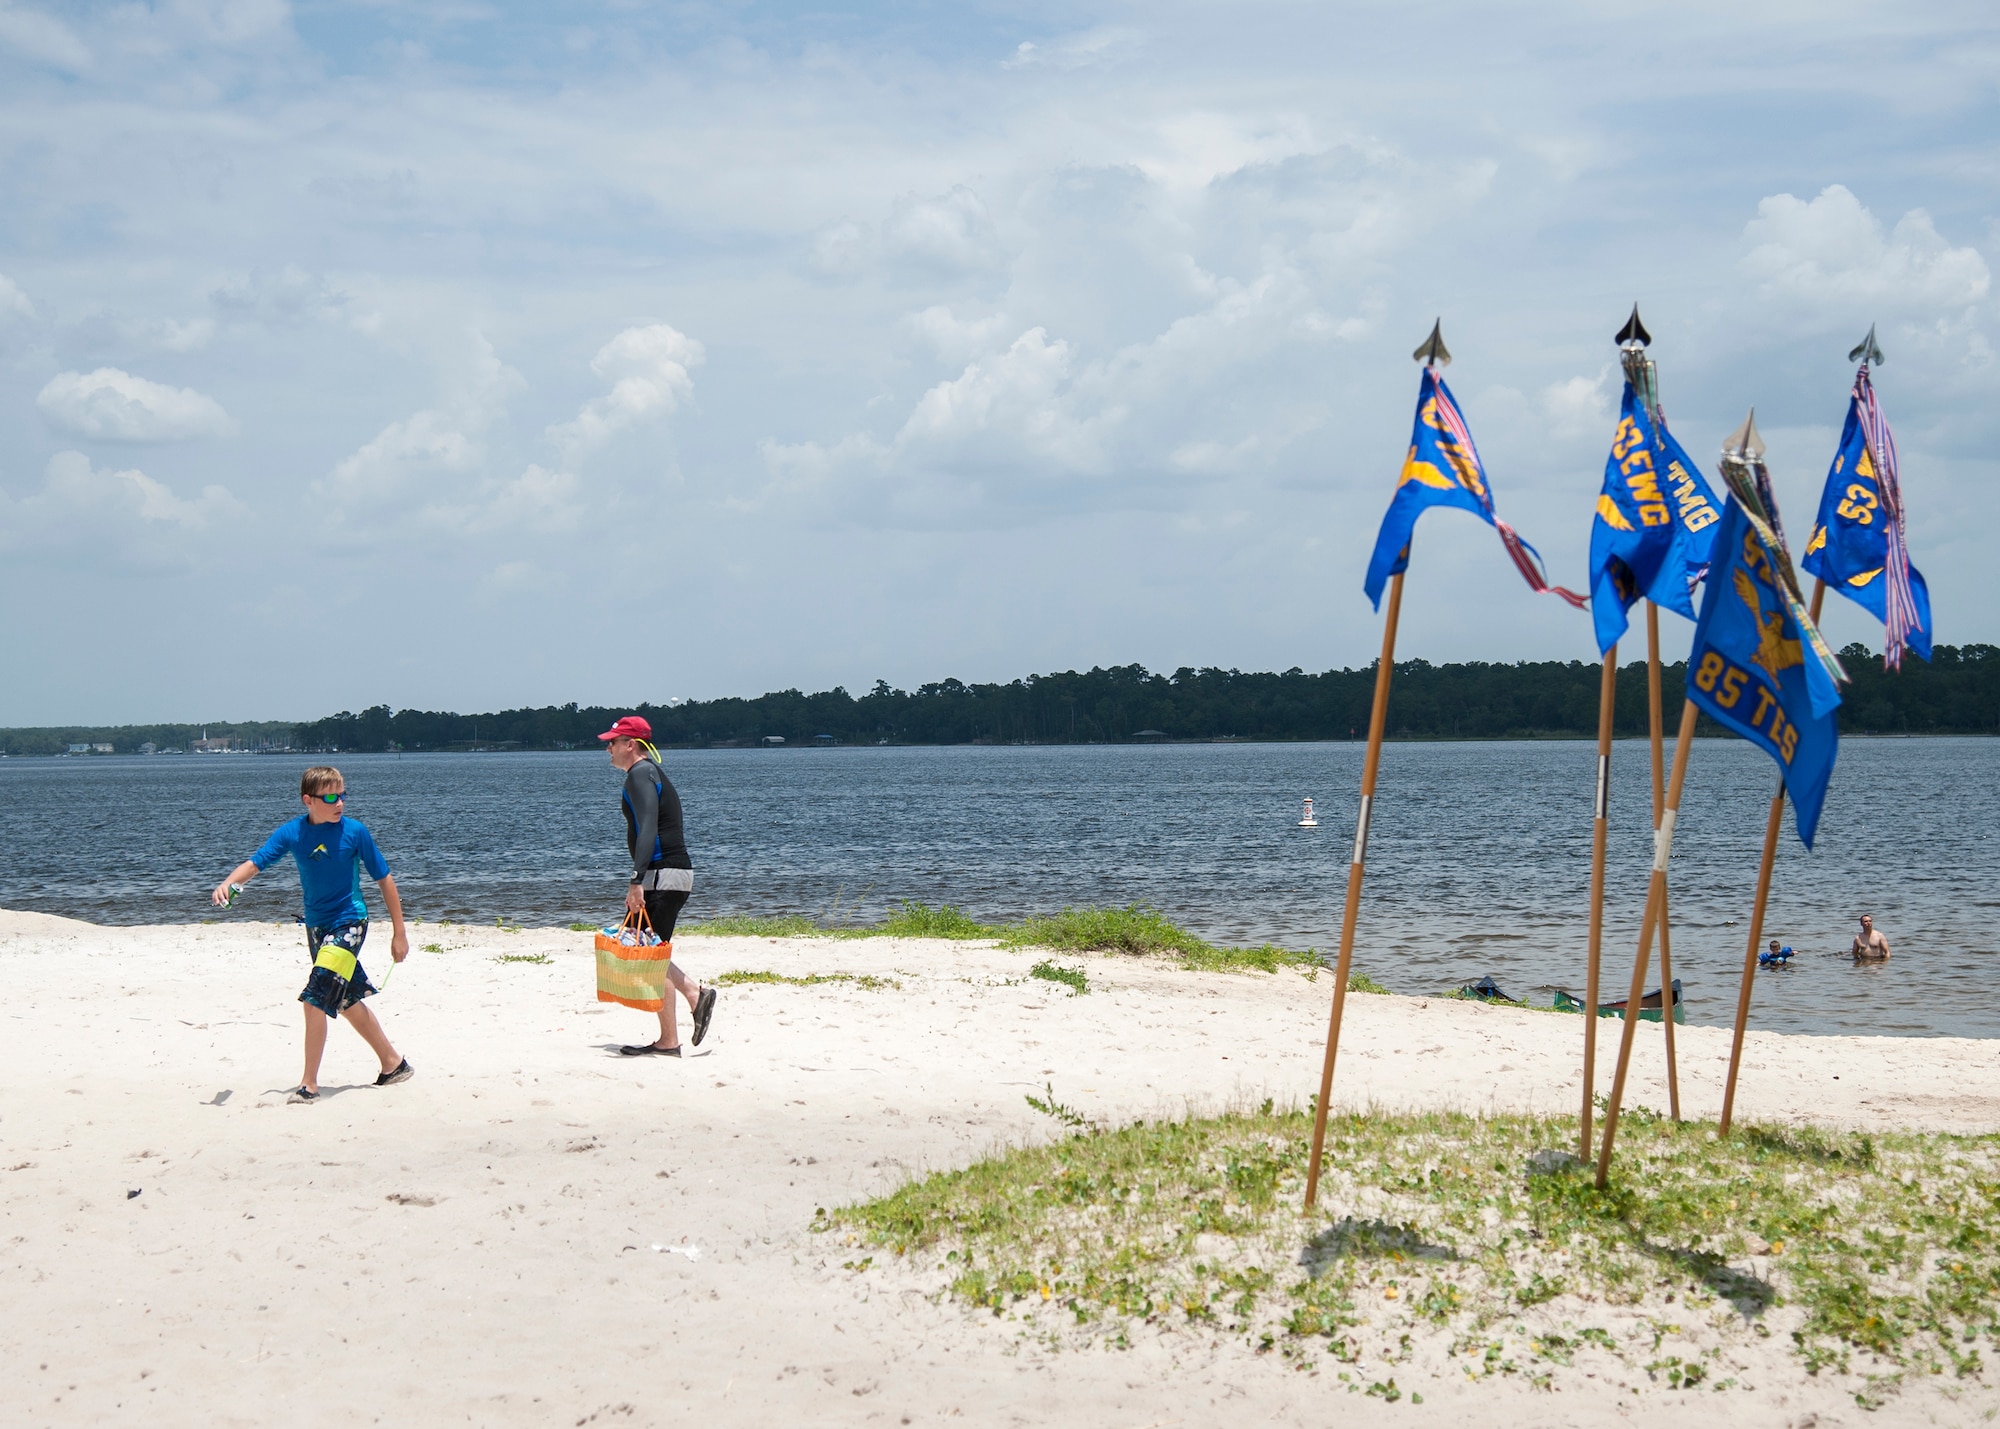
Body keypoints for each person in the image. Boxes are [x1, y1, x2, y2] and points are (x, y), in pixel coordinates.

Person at [211, 766, 412, 1103]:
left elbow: (385, 880)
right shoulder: (293, 833)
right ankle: (393, 1064)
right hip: (316, 928)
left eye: (343, 795)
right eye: (331, 797)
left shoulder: (355, 832)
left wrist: (399, 933)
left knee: (314, 998)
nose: (340, 803)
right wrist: (229, 883)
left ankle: (309, 1085)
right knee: (345, 1001)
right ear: (309, 800)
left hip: (350, 924)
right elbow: (257, 862)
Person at [599, 715, 715, 1056]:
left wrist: (636, 880)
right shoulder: (647, 774)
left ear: (630, 745)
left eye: (613, 742)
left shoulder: (639, 774)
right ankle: (687, 1008)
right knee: (647, 948)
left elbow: (648, 827)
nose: (608, 748)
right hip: (667, 874)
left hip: (662, 875)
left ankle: (685, 1012)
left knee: (650, 951)